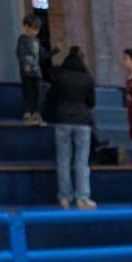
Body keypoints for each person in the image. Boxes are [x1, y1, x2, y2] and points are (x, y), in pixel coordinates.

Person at [48, 42, 96, 209]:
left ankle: (64, 198)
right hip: (82, 121)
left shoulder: (60, 76)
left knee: (63, 160)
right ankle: (82, 197)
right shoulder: (88, 78)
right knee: (82, 161)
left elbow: (51, 97)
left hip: (62, 120)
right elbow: (91, 102)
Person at [16, 11, 45, 123]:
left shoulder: (37, 41)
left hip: (37, 72)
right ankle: (28, 114)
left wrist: (54, 51)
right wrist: (25, 64)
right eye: (33, 29)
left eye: (37, 30)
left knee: (37, 94)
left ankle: (36, 114)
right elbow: (20, 53)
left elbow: (42, 55)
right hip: (27, 72)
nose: (35, 32)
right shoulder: (22, 39)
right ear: (26, 27)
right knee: (28, 93)